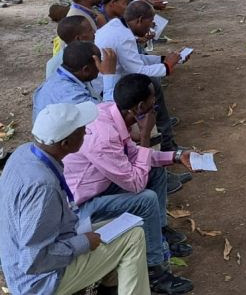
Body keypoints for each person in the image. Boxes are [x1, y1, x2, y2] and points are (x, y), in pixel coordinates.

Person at [0, 102, 150, 294]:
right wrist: (83, 243)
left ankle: (108, 286)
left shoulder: (24, 152)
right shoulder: (43, 188)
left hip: (25, 259)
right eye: (82, 130)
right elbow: (34, 259)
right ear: (66, 144)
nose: (87, 132)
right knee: (133, 237)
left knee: (123, 229)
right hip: (40, 282)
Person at [64, 75, 195, 294]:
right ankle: (155, 271)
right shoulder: (103, 136)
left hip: (102, 185)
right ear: (141, 107)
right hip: (82, 207)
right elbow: (135, 184)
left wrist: (176, 156)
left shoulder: (113, 113)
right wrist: (145, 134)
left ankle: (160, 233)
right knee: (146, 199)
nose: (156, 106)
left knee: (155, 171)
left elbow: (134, 155)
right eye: (154, 102)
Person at [95, 0, 182, 151]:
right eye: (150, 23)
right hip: (109, 87)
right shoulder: (124, 37)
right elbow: (138, 70)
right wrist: (167, 67)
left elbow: (134, 60)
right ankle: (164, 141)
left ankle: (164, 132)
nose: (152, 27)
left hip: (108, 80)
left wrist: (163, 60)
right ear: (140, 20)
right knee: (151, 87)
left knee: (153, 86)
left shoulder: (116, 26)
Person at [34, 41, 117, 121]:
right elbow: (108, 116)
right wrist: (109, 75)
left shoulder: (56, 77)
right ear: (86, 70)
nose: (101, 65)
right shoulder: (72, 94)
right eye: (99, 62)